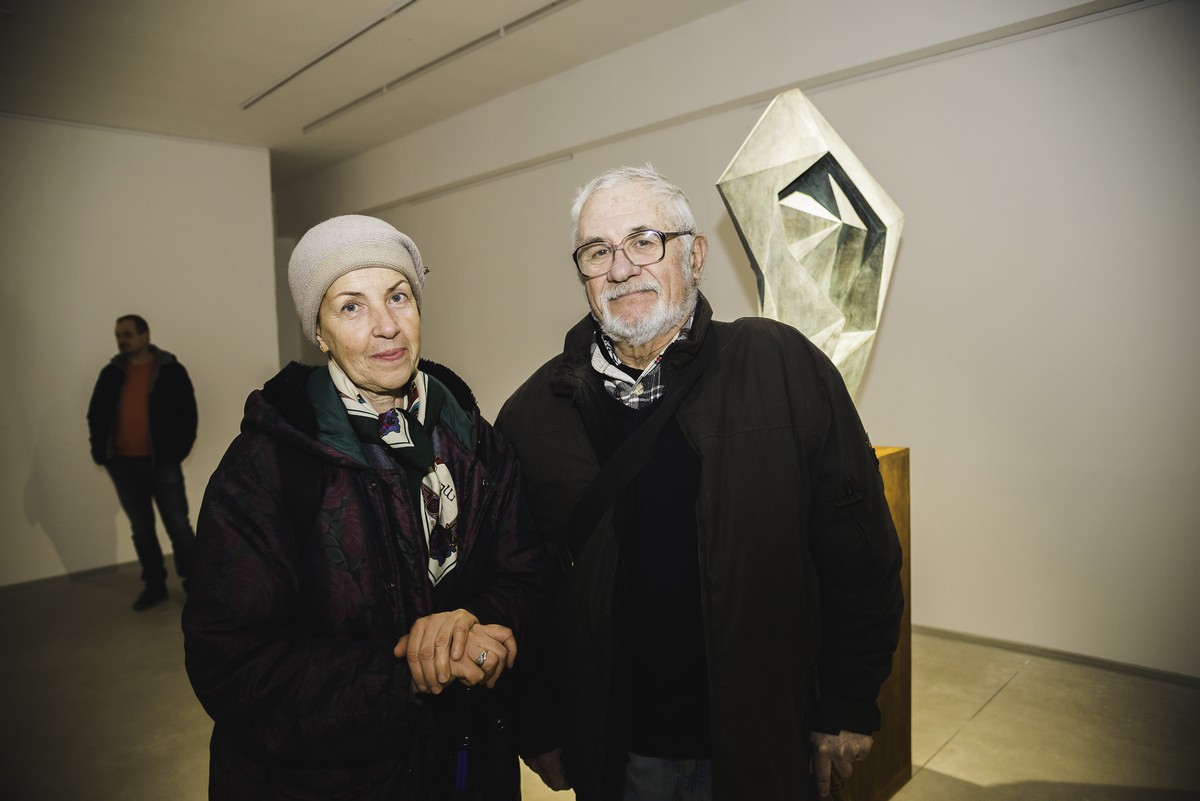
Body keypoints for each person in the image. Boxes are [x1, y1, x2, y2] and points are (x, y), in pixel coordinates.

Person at [495, 166, 905, 801]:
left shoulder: (782, 368)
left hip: (768, 740)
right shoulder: (531, 417)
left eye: (644, 241)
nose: (621, 268)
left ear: (695, 255)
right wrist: (541, 723)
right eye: (597, 251)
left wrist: (850, 699)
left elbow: (860, 552)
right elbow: (522, 589)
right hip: (620, 755)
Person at [181, 215, 549, 800]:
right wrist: (412, 671)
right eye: (351, 306)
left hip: (467, 760)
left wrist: (471, 623)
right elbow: (233, 662)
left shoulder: (475, 442)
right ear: (319, 332)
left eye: (398, 296)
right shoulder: (267, 466)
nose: (386, 326)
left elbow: (525, 576)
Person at [87, 314, 198, 611]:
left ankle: (196, 585)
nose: (122, 341)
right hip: (122, 465)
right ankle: (154, 585)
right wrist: (100, 452)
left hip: (162, 464)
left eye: (127, 334)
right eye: (118, 336)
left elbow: (188, 414)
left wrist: (176, 453)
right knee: (141, 528)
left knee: (178, 526)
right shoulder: (111, 373)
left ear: (145, 335)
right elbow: (96, 414)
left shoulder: (171, 370)